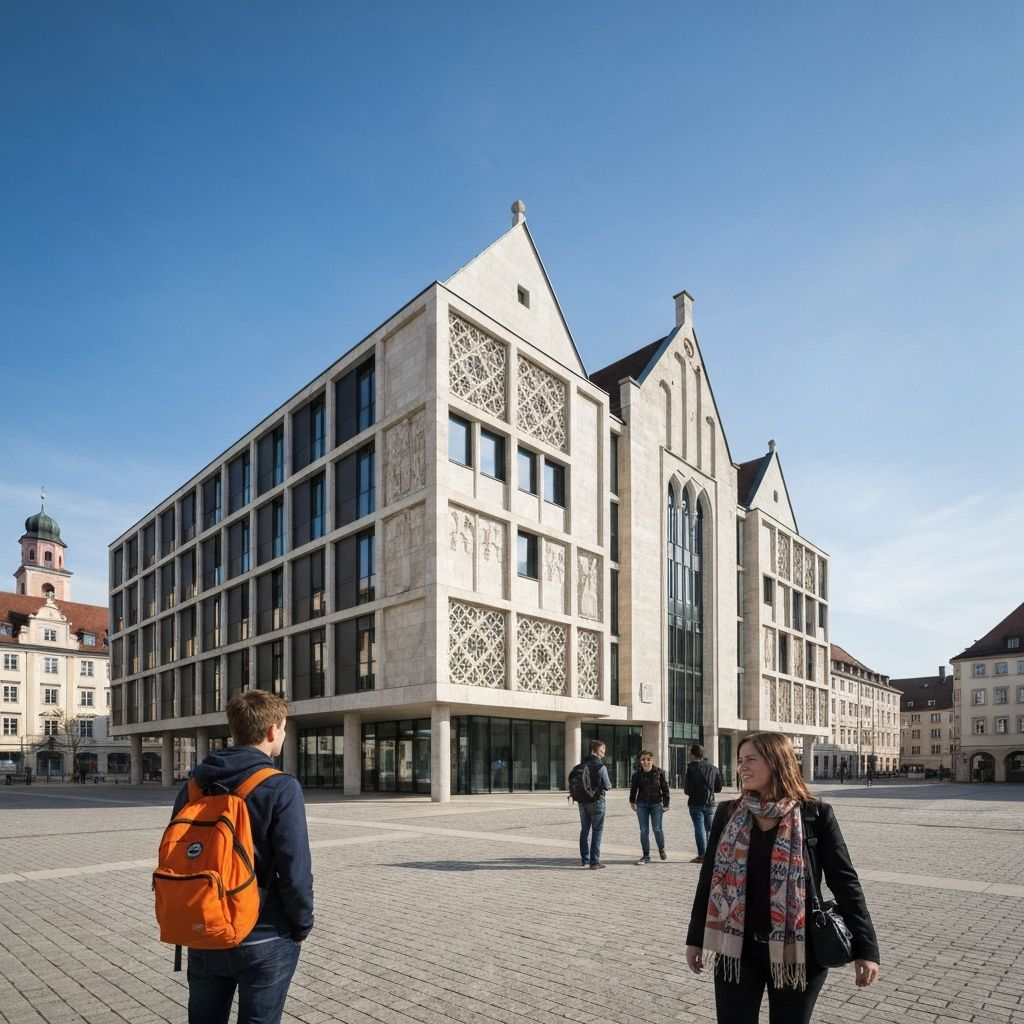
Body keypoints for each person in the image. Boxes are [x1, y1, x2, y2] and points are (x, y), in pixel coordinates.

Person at [685, 731, 879, 1024]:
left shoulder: (814, 815)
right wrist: (695, 938)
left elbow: (845, 882)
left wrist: (867, 949)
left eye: (751, 759)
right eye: (740, 760)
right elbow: (709, 879)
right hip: (736, 948)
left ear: (776, 762)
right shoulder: (728, 813)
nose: (741, 767)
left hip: (799, 951)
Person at [172, 690, 314, 1024]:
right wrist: (301, 925)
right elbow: (295, 870)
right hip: (264, 933)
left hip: (205, 928)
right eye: (283, 728)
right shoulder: (281, 786)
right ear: (272, 730)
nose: (283, 734)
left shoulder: (195, 785)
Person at [683, 743, 722, 864]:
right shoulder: (713, 768)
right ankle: (710, 855)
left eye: (690, 752)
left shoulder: (691, 769)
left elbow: (687, 790)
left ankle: (702, 855)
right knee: (709, 829)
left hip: (695, 803)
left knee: (699, 828)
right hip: (710, 803)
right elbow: (718, 788)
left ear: (693, 754)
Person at [629, 750, 670, 864]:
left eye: (648, 759)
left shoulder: (659, 773)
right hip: (642, 804)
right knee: (643, 830)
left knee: (657, 829)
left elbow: (665, 789)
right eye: (643, 759)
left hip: (656, 804)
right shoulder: (637, 775)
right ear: (640, 761)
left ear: (652, 760)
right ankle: (646, 855)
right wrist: (632, 802)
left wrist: (666, 804)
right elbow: (633, 790)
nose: (645, 762)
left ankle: (661, 848)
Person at [577, 739, 613, 869]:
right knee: (597, 831)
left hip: (582, 802)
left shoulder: (581, 765)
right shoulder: (600, 767)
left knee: (584, 830)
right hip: (597, 802)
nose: (603, 752)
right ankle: (594, 862)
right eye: (601, 750)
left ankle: (585, 859)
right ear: (594, 751)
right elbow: (608, 786)